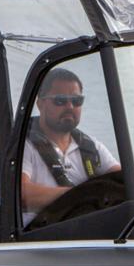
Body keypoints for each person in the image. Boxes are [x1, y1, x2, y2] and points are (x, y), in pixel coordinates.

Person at [20, 68, 121, 225]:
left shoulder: (92, 147)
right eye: (60, 101)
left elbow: (125, 183)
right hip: (41, 241)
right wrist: (80, 196)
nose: (70, 107)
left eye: (76, 101)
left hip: (89, 234)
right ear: (40, 104)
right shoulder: (22, 146)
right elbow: (19, 195)